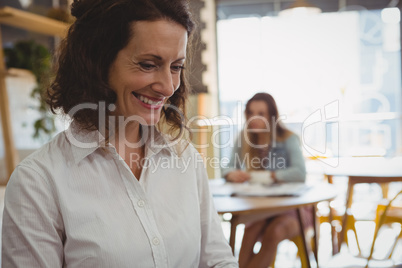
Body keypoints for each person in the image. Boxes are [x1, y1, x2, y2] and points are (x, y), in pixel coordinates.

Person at [1, 1, 238, 267]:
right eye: (148, 65)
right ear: (96, 61)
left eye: (176, 67)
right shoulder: (37, 183)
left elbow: (217, 260)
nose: (168, 87)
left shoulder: (185, 159)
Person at [222, 92, 308, 268]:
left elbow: (300, 172)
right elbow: (226, 167)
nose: (255, 118)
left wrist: (272, 176)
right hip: (260, 208)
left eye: (261, 114)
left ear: (271, 116)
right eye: (251, 113)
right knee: (251, 229)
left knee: (274, 232)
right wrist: (231, 174)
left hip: (290, 209)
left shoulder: (288, 138)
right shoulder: (243, 139)